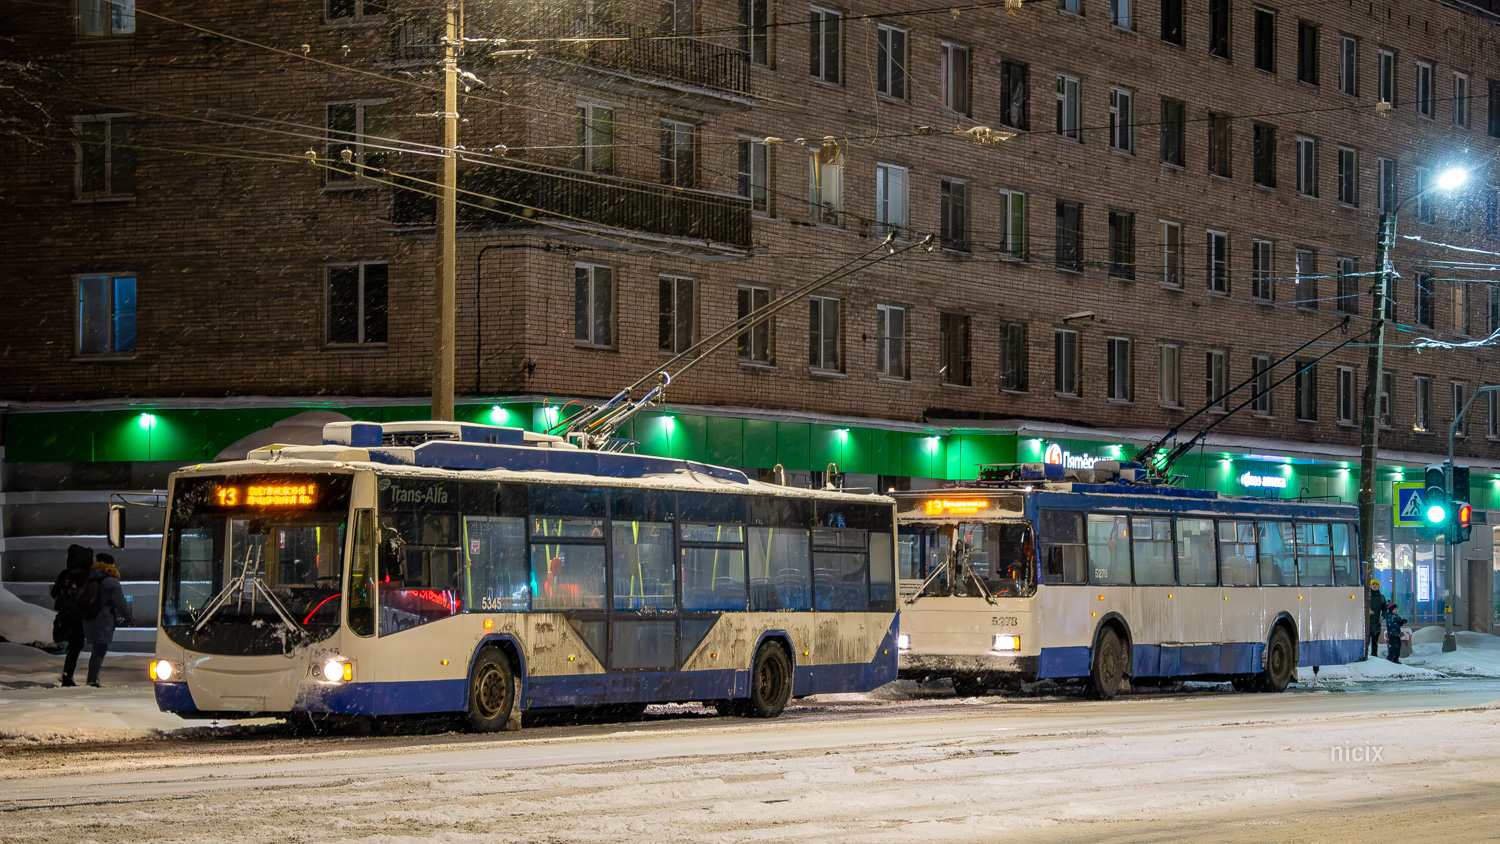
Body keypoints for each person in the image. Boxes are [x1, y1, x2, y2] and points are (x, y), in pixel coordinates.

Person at [80, 552, 134, 688]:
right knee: (99, 650)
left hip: (89, 617)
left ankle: (92, 678)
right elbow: (121, 603)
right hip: (103, 619)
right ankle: (92, 680)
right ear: (111, 565)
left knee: (97, 649)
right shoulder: (111, 581)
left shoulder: (91, 577)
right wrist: (129, 618)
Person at [49, 544, 93, 687]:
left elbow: (54, 593)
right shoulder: (87, 575)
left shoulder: (65, 574)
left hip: (65, 615)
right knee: (76, 645)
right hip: (78, 616)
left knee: (73, 645)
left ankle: (67, 675)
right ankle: (67, 676)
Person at [1366, 579, 1388, 657]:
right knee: (1366, 641)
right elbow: (1361, 606)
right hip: (1367, 623)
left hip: (1376, 623)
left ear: (1379, 586)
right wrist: (1367, 610)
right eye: (1373, 584)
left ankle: (1374, 656)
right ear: (1370, 586)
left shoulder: (1381, 597)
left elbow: (1384, 609)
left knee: (1375, 641)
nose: (1374, 586)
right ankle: (1365, 656)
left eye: (1376, 584)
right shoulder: (1367, 597)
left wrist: (1383, 617)